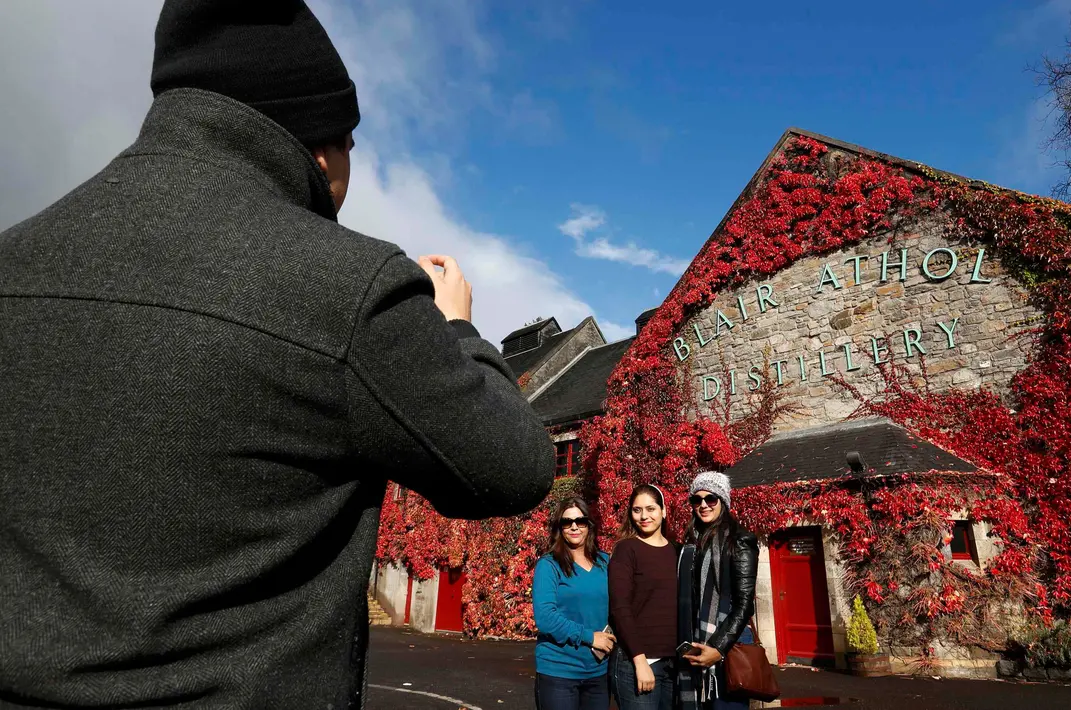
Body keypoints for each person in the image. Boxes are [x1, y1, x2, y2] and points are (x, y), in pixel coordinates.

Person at [0, 1, 555, 707]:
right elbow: (512, 468)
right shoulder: (350, 289)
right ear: (325, 145)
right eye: (352, 145)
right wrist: (458, 331)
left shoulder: (13, 259)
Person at [678, 472, 759, 710]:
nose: (703, 505)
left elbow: (744, 604)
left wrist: (718, 648)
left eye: (711, 498)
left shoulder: (740, 540)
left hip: (729, 641)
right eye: (697, 499)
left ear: (723, 501)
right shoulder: (692, 541)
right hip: (697, 639)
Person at [532, 498, 614, 710]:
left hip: (598, 672)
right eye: (567, 522)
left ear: (589, 524)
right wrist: (589, 637)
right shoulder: (549, 565)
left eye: (580, 520)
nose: (574, 526)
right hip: (559, 672)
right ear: (559, 528)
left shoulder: (606, 562)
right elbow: (545, 618)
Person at [608, 484, 680, 710]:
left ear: (664, 511)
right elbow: (620, 608)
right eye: (637, 510)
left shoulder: (677, 552)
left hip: (673, 663)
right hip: (637, 662)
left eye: (651, 509)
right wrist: (640, 661)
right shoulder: (626, 550)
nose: (644, 516)